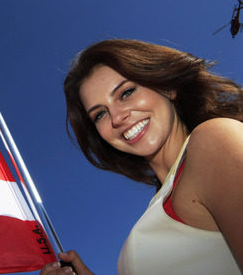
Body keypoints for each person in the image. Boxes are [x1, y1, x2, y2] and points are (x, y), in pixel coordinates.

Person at [41, 39, 243, 275]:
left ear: (167, 86)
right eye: (100, 114)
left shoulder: (214, 140)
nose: (116, 117)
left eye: (126, 93)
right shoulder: (157, 206)